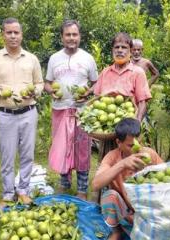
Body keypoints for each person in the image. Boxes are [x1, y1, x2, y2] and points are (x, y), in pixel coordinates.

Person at [0, 18, 44, 205]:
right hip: (6, 113)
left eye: (16, 32)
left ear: (21, 34)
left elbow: (40, 83)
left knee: (27, 154)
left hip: (28, 112)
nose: (12, 36)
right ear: (3, 34)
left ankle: (23, 190)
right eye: (9, 32)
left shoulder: (32, 59)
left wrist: (37, 91)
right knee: (7, 155)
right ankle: (8, 193)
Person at [44, 20, 98, 200]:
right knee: (62, 147)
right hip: (60, 110)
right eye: (68, 34)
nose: (71, 38)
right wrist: (51, 91)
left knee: (82, 148)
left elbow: (96, 83)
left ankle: (82, 188)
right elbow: (47, 83)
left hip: (82, 111)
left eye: (75, 34)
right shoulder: (54, 58)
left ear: (79, 36)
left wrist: (88, 94)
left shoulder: (88, 58)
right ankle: (64, 183)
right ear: (62, 37)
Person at [92, 118, 163, 240]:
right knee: (110, 196)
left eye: (138, 142)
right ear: (118, 142)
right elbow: (95, 184)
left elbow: (167, 177)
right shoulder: (112, 157)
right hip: (126, 211)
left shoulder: (149, 154)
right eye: (130, 145)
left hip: (149, 210)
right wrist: (123, 164)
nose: (137, 148)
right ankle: (116, 231)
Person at [93, 32, 152, 159]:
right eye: (117, 47)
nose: (120, 50)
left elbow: (142, 102)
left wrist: (137, 122)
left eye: (124, 47)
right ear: (112, 50)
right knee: (108, 166)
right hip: (107, 131)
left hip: (128, 134)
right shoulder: (105, 72)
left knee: (130, 169)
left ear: (130, 51)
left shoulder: (137, 73)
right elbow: (96, 100)